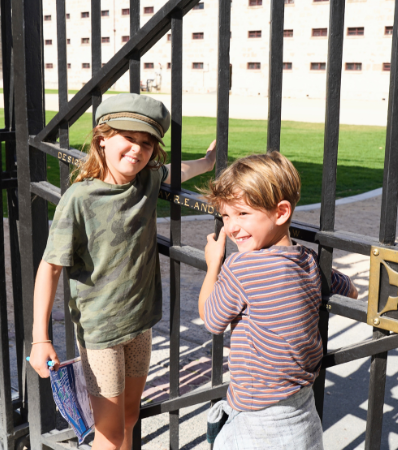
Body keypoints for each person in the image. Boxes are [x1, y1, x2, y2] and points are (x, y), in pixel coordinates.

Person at [29, 93, 216, 450]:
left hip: (140, 324)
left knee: (129, 418)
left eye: (146, 143)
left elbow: (177, 171)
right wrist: (41, 339)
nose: (137, 149)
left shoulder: (147, 181)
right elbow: (50, 267)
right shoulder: (80, 199)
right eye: (129, 138)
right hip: (100, 332)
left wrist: (207, 162)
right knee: (109, 433)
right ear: (102, 138)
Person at [198, 151, 358, 450]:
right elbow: (349, 289)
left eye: (243, 213)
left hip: (256, 413)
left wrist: (213, 266)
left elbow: (211, 319)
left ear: (282, 212)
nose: (231, 227)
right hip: (301, 403)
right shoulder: (308, 259)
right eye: (225, 215)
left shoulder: (241, 268)